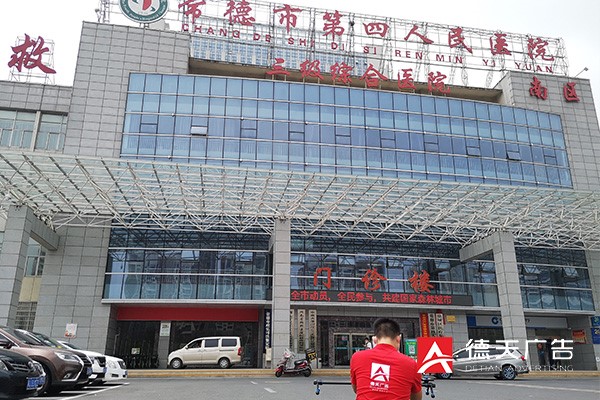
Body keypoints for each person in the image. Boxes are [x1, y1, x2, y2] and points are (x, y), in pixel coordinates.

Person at [350, 318, 422, 400]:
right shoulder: (411, 364)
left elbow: (356, 389)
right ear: (398, 339)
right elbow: (416, 397)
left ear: (374, 339)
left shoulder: (357, 357)